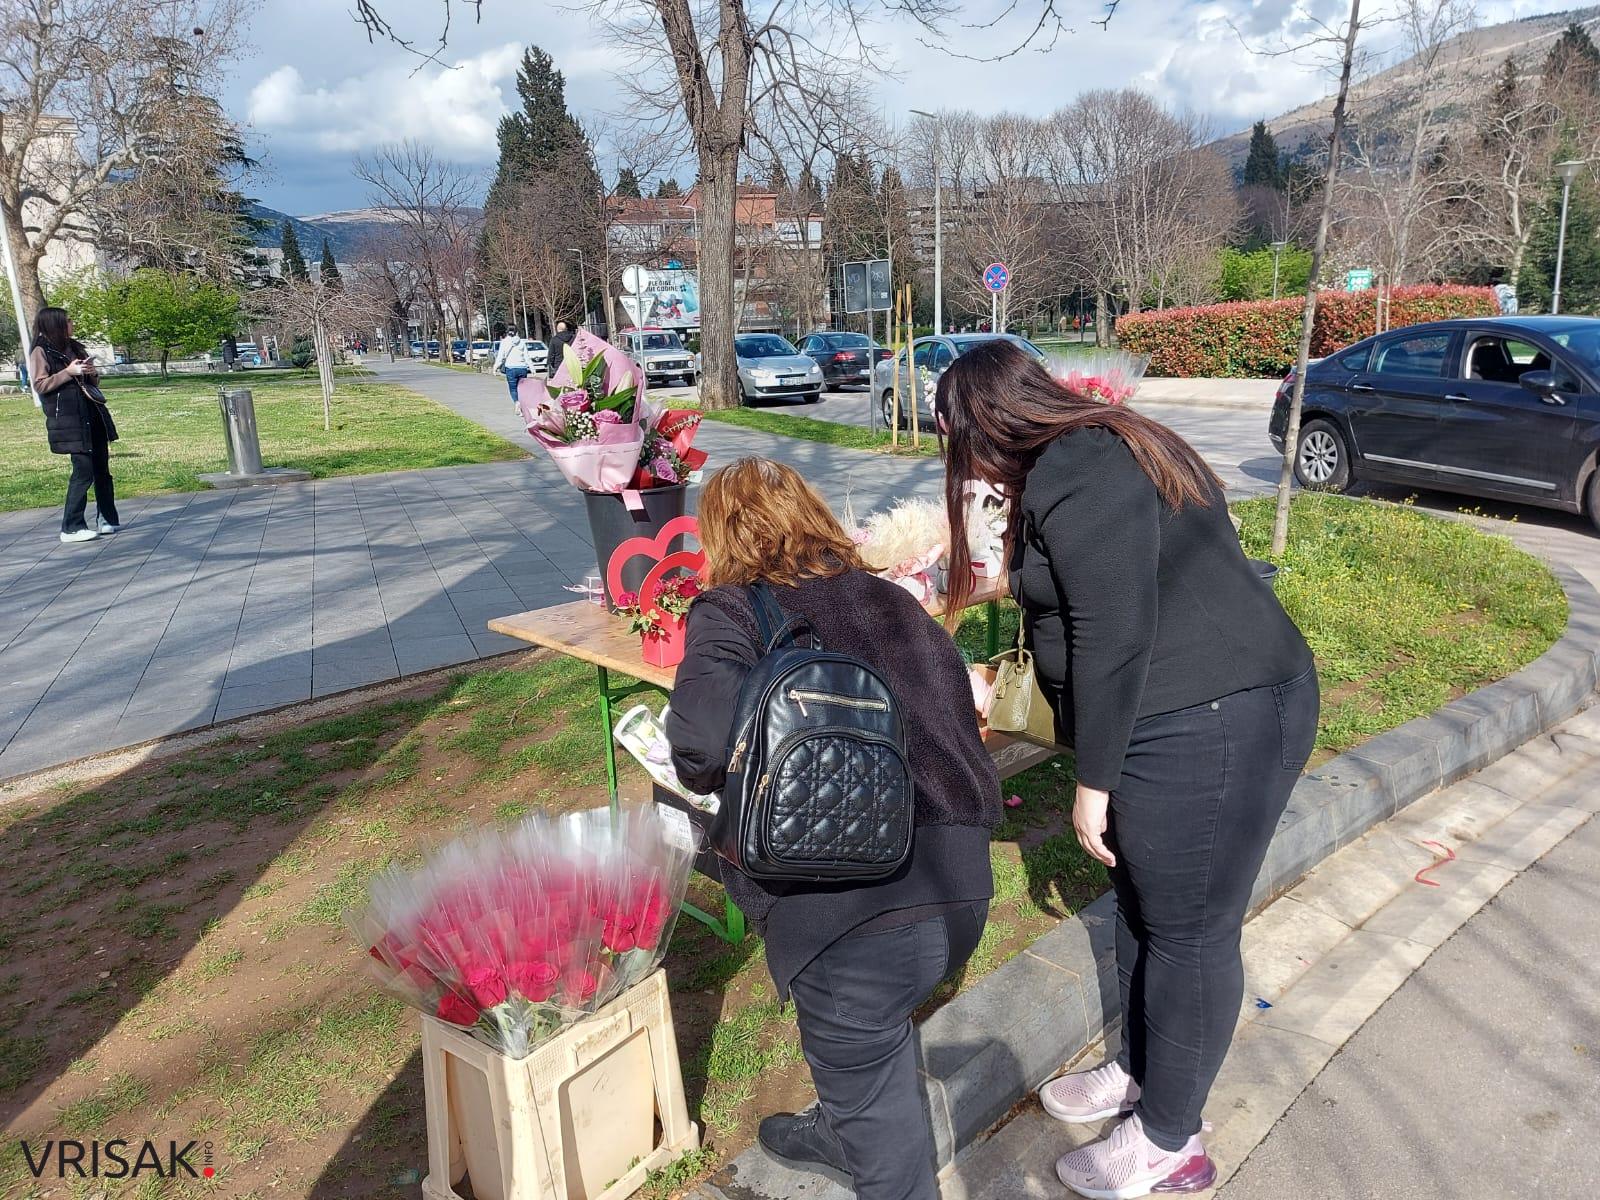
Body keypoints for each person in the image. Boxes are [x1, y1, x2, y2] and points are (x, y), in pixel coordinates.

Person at [936, 342, 1318, 1200]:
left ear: (986, 421)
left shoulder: (1086, 464)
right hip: (1188, 709)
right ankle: (1144, 1071)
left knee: (1190, 933)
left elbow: (1114, 634)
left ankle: (1170, 1143)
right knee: (1144, 908)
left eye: (957, 439)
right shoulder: (1090, 449)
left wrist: (1092, 785)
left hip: (1213, 718)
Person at [667, 458, 1001, 1200]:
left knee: (890, 1158)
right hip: (960, 883)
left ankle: (863, 1135)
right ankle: (840, 1122)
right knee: (872, 1050)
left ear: (721, 536)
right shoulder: (894, 600)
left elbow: (697, 746)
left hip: (849, 915)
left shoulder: (733, 611)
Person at [31, 306, 121, 545]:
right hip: (69, 419)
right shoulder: (41, 351)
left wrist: (90, 372)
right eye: (68, 321)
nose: (72, 325)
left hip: (93, 412)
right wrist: (68, 372)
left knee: (102, 468)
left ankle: (107, 517)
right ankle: (71, 526)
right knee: (83, 470)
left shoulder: (75, 347)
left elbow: (93, 382)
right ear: (55, 324)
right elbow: (40, 385)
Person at [492, 324, 532, 408]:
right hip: (522, 368)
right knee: (522, 388)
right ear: (516, 331)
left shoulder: (504, 342)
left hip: (510, 368)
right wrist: (532, 368)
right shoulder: (521, 342)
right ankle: (523, 405)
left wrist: (495, 368)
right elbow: (527, 357)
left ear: (507, 331)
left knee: (513, 388)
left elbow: (500, 356)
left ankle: (517, 402)